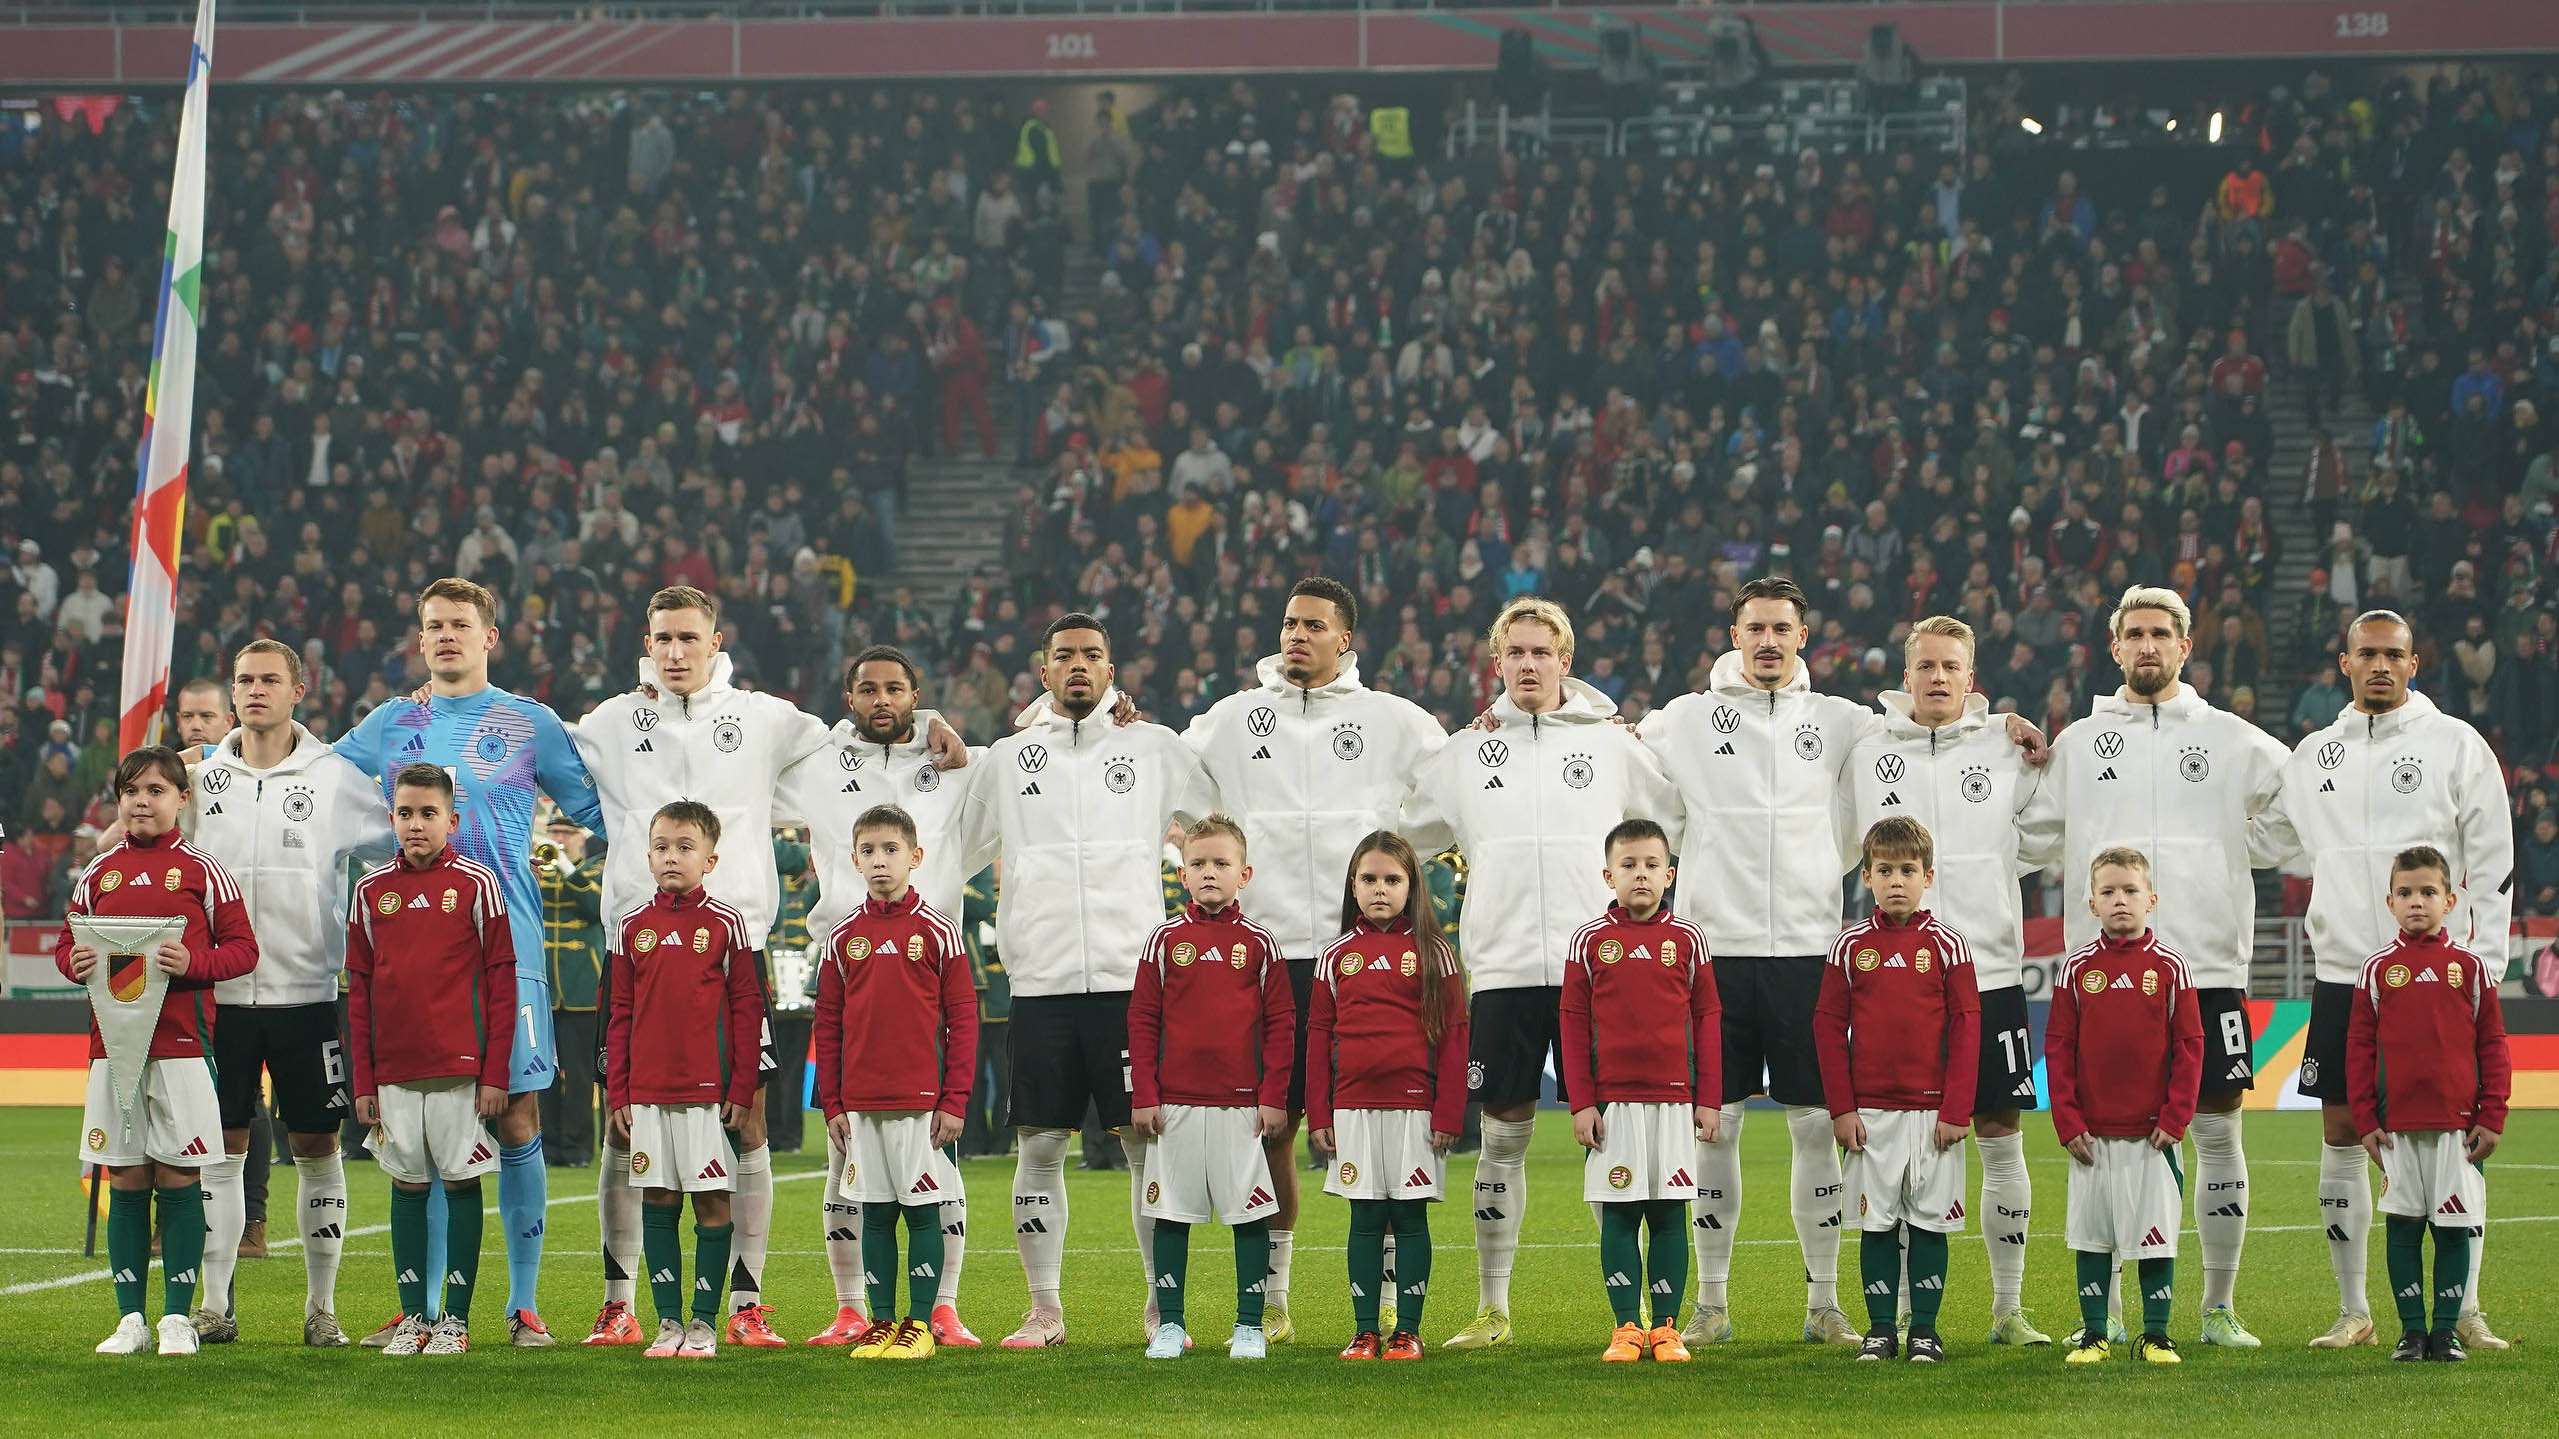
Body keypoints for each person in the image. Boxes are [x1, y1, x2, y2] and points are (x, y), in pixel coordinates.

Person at [1400, 596, 1682, 1350]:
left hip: (1603, 968)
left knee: (1613, 1140)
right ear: (1496, 664)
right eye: (1514, 653)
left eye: (1540, 652)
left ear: (1565, 661)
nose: (1527, 664)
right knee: (1501, 1136)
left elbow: (1673, 820)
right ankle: (1494, 1307)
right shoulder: (1466, 752)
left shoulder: (1613, 747)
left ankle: (1632, 1318)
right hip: (1502, 966)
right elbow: (1404, 826)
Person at [334, 576, 604, 1348]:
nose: (445, 635)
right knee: (421, 1127)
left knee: (514, 1112)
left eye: (460, 624)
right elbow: (305, 774)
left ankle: (521, 1303)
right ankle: (422, 1306)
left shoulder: (529, 722)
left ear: (491, 637)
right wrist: (209, 754)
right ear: (418, 640)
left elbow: (603, 811)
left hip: (507, 949)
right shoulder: (392, 721)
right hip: (414, 958)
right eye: (432, 626)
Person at [1181, 576, 1445, 1340]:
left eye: (1313, 625)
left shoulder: (1394, 721)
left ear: (1345, 640)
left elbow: (1451, 790)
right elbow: (1168, 774)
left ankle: (1390, 1307)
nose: (1295, 635)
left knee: (1387, 1128)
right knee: (1269, 1133)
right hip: (1260, 962)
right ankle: (1273, 1298)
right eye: (1289, 623)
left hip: (1355, 962)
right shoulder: (1232, 718)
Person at [571, 586, 830, 1350]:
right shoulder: (611, 721)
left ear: (718, 641)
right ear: (644, 645)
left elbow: (854, 743)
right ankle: (618, 1301)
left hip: (732, 948)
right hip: (636, 950)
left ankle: (744, 1301)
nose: (676, 651)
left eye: (689, 637)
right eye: (662, 638)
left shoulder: (765, 717)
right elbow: (530, 740)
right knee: (622, 1132)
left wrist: (932, 728)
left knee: (745, 1126)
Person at [954, 612, 1216, 1348]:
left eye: (1092, 654)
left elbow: (1223, 824)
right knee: (1039, 1146)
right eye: (1064, 655)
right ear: (1043, 672)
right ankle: (1044, 1310)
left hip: (1134, 983)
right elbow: (956, 853)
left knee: (1145, 1142)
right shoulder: (1005, 759)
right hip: (1041, 981)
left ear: (1111, 670)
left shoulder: (1154, 747)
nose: (1078, 665)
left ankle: (1162, 1306)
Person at [2045, 585, 2286, 1348]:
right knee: (2107, 1139)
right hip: (2100, 972)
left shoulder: (2229, 736)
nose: (2148, 645)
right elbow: (2025, 826)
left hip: (2207, 962)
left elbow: (2295, 807)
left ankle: (2216, 1307)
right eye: (2134, 634)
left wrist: (2227, 851)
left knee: (2215, 1129)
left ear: (2185, 647)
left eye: (2162, 634)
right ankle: (2106, 1308)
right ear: (2113, 648)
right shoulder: (2078, 741)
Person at [2267, 610, 2513, 1351]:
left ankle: (2462, 1306)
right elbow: (2275, 837)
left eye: (2392, 654)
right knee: (2341, 1131)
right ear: (2342, 662)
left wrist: (2487, 966)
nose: (2379, 665)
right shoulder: (2314, 754)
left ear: (2414, 662)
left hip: (2440, 979)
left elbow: (2494, 857)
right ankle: (2354, 1309)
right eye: (2365, 653)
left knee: (2458, 1136)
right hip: (2346, 971)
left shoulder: (2455, 746)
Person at [1838, 616, 2060, 1346]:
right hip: (1892, 982)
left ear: (1972, 677)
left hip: (1988, 974)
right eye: (1925, 665)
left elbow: (2045, 830)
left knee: (1999, 1135)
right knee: (1894, 1145)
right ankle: (1894, 1314)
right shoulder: (1864, 747)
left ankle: (2007, 1307)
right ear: (1905, 676)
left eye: (1951, 667)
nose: (1937, 677)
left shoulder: (2005, 746)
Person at [777, 645, 988, 1348]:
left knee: (938, 1176)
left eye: (896, 688)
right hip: (849, 964)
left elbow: (1019, 764)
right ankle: (852, 1307)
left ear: (916, 694)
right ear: (848, 698)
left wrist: (941, 727)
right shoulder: (816, 764)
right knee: (845, 1174)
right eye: (867, 688)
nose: (881, 699)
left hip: (924, 983)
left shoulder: (954, 764)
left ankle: (940, 1307)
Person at [185, 638, 394, 1348]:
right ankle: (214, 1304)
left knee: (315, 1140)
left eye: (269, 679)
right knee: (222, 1142)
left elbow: (393, 853)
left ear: (299, 688)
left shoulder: (334, 774)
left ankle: (321, 1307)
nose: (254, 690)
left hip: (308, 990)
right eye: (243, 679)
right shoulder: (201, 778)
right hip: (220, 991)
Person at [64, 748, 259, 1356]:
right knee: (124, 1177)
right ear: (118, 800)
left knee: (178, 1173)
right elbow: (72, 948)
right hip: (112, 1051)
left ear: (181, 800)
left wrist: (194, 963)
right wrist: (74, 964)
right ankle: (131, 1319)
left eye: (155, 790)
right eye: (131, 791)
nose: (141, 801)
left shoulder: (203, 870)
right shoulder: (97, 874)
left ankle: (177, 1316)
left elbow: (243, 950)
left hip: (182, 1048)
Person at [345, 764, 513, 1357]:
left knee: (463, 1185)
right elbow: (359, 991)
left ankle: (456, 1321)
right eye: (406, 813)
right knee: (408, 1187)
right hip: (392, 1072)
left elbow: (502, 981)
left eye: (428, 813)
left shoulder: (476, 884)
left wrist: (496, 1073)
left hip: (460, 1071)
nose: (416, 824)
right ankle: (415, 1315)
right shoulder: (369, 891)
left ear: (452, 821)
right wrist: (363, 1079)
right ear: (391, 819)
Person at [814, 804, 977, 1362]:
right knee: (875, 1212)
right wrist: (832, 1102)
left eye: (891, 850)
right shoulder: (841, 937)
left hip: (921, 1105)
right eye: (869, 851)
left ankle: (921, 1323)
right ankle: (881, 1322)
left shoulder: (939, 932)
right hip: (860, 1105)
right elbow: (828, 1026)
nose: (880, 861)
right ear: (855, 859)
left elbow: (963, 1020)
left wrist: (954, 1100)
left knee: (923, 1211)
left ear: (915, 856)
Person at [1127, 815, 1291, 1361]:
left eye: (1221, 864)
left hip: (1242, 1106)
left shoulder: (1260, 943)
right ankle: (1170, 1323)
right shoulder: (1163, 940)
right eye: (1198, 864)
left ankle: (1249, 1325)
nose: (1209, 873)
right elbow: (1143, 1020)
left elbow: (1281, 1024)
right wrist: (1144, 1093)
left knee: (1249, 1215)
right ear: (1183, 874)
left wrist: (1273, 1096)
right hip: (1174, 1105)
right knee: (1171, 1213)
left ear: (1244, 874)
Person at [1816, 816, 1979, 1364]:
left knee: (1931, 1222)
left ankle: (1925, 1331)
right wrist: (1842, 1109)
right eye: (1884, 870)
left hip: (1935, 1115)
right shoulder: (1849, 946)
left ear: (1927, 876)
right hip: (1871, 1116)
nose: (1896, 881)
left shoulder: (1948, 945)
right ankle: (1881, 1329)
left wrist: (1958, 1107)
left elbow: (1967, 1026)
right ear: (1866, 877)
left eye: (1908, 870)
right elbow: (1827, 1027)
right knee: (1877, 1223)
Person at [606, 801, 764, 1360]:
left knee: (711, 1206)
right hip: (647, 1095)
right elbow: (619, 1013)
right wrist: (618, 1092)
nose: (672, 856)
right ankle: (667, 1321)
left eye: (685, 847)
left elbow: (748, 1009)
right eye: (662, 847)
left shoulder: (726, 924)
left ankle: (703, 1322)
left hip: (708, 1097)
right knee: (660, 1200)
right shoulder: (631, 927)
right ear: (648, 855)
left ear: (710, 858)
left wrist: (741, 1088)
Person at [1562, 818, 1719, 1365]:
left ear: (1669, 874)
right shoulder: (1589, 941)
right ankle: (1627, 1325)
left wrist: (1709, 1097)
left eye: (1652, 865)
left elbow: (1708, 1016)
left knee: (1670, 1214)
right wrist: (1580, 1101)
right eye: (1629, 866)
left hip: (1676, 1102)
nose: (1641, 875)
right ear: (1609, 875)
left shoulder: (1688, 939)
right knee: (1622, 1212)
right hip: (1614, 1105)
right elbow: (1573, 1025)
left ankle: (1667, 1328)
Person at [1307, 830, 1467, 1361]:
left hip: (1417, 1111)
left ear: (1411, 887)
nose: (1380, 889)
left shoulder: (1434, 953)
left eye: (1392, 879)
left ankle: (1409, 1331)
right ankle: (1365, 1330)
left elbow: (1454, 1034)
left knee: (1412, 1219)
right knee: (1365, 1220)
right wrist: (1318, 1110)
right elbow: (1318, 1037)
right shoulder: (1335, 956)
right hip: (1352, 1109)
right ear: (1352, 886)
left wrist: (1449, 1109)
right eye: (1369, 878)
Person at [2349, 846, 2510, 1364]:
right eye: (2405, 893)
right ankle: (2411, 1333)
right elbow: (2359, 1049)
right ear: (2389, 902)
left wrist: (2492, 1115)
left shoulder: (2470, 968)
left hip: (2456, 1130)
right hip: (2396, 1129)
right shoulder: (2377, 969)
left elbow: (2493, 1046)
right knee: (2403, 1226)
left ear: (2450, 900)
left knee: (2454, 1227)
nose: (2416, 902)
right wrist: (2366, 1120)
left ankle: (2446, 1332)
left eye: (2427, 893)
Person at [2048, 848, 2201, 1367]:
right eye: (2109, 892)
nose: (2120, 901)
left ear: (2151, 899)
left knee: (2155, 1238)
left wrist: (2176, 1116)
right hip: (2091, 1136)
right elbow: (2058, 1048)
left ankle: (2156, 1335)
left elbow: (2190, 1047)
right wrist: (2067, 1120)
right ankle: (2094, 1334)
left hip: (2151, 1137)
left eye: (2130, 891)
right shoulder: (2075, 969)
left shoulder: (2171, 968)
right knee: (2092, 1238)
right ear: (2091, 903)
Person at [537, 812, 605, 1171]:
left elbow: (594, 907)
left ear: (581, 838)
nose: (560, 838)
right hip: (545, 984)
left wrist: (565, 867)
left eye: (567, 832)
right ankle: (548, 1144)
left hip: (580, 986)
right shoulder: (538, 868)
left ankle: (578, 1146)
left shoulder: (595, 868)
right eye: (555, 832)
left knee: (579, 1074)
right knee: (544, 1072)